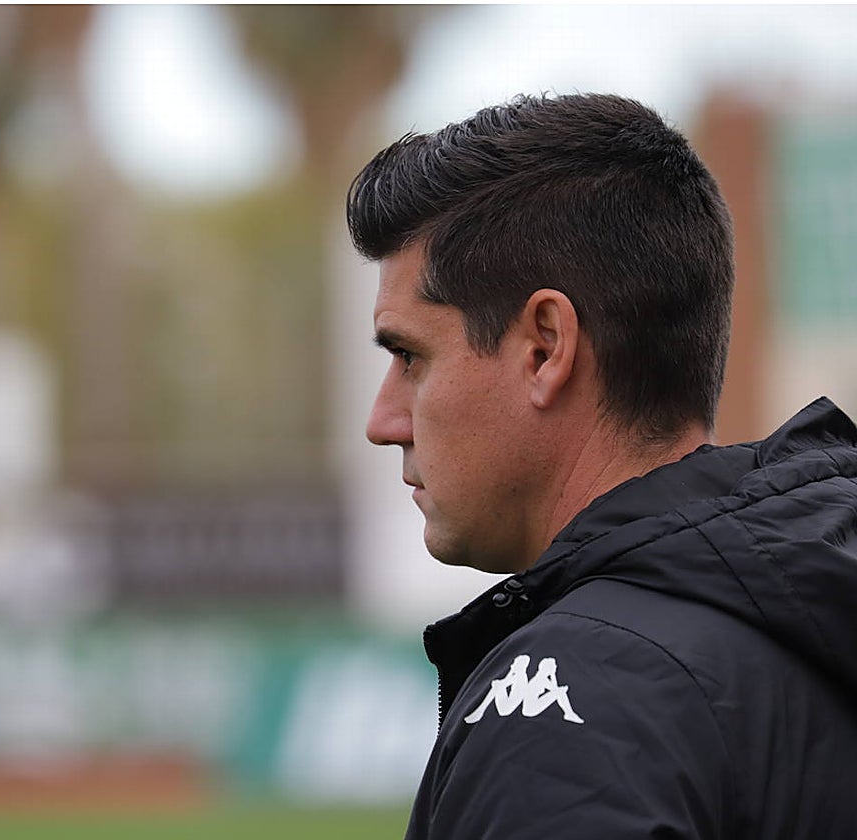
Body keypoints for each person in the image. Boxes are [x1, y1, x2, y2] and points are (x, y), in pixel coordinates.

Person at [346, 92, 857, 838]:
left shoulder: (570, 703)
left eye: (409, 356)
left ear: (546, 347)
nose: (383, 422)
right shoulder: (811, 615)